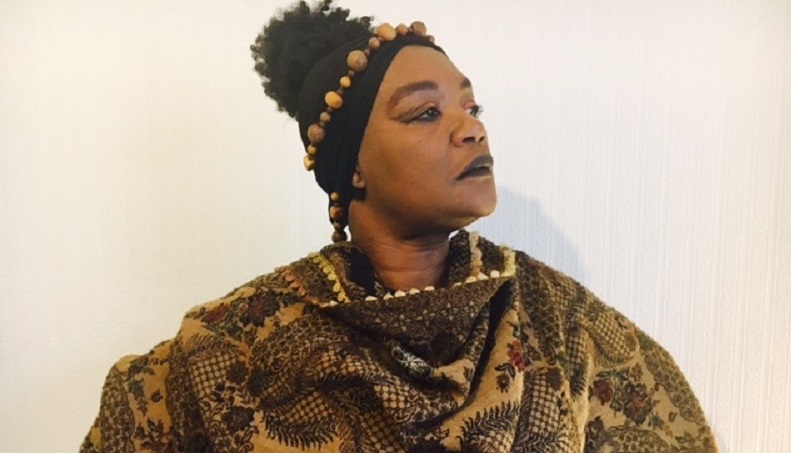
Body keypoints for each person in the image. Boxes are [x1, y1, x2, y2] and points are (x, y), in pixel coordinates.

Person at [80, 1, 718, 452]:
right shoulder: (231, 352)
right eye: (424, 113)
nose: (471, 128)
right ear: (351, 167)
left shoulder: (559, 325)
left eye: (471, 105)